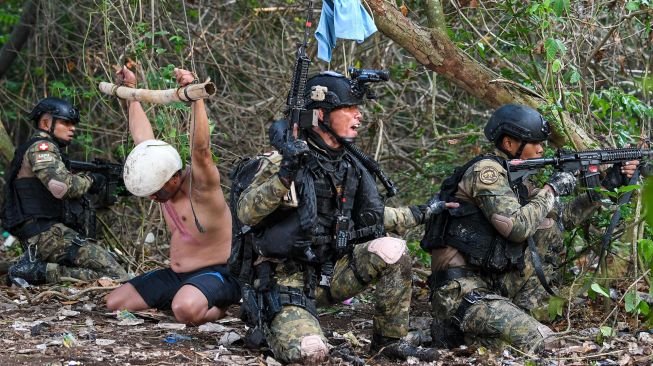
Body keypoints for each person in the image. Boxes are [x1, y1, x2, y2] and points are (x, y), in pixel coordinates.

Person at [236, 71, 452, 363]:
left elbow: (371, 217)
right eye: (349, 109)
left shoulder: (347, 164)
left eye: (358, 109)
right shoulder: (280, 161)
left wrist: (425, 211)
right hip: (289, 282)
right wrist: (286, 174)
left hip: (332, 272)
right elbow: (247, 211)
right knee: (312, 353)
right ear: (321, 115)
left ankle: (389, 341)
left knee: (393, 250)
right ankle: (282, 327)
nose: (359, 116)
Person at [422, 104, 641, 353]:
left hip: (493, 282)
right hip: (460, 290)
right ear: (509, 143)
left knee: (548, 226)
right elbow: (516, 228)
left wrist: (607, 184)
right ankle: (453, 330)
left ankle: (497, 325)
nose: (541, 149)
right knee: (541, 342)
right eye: (534, 142)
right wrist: (552, 189)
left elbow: (561, 218)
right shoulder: (486, 173)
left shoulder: (517, 181)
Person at [105, 67, 240, 326]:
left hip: (216, 273)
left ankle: (217, 308)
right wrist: (131, 93)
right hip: (178, 275)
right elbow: (142, 141)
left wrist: (195, 97)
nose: (154, 198)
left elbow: (201, 149)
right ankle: (185, 297)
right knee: (115, 303)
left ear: (174, 177)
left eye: (157, 191)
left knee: (184, 310)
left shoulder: (201, 188)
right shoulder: (161, 176)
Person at [2, 97, 127, 285]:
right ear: (46, 123)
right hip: (44, 234)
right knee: (118, 275)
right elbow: (61, 188)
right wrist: (91, 180)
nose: (73, 128)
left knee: (114, 262)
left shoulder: (52, 151)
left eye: (73, 124)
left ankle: (27, 268)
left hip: (47, 233)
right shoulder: (41, 148)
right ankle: (35, 272)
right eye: (66, 122)